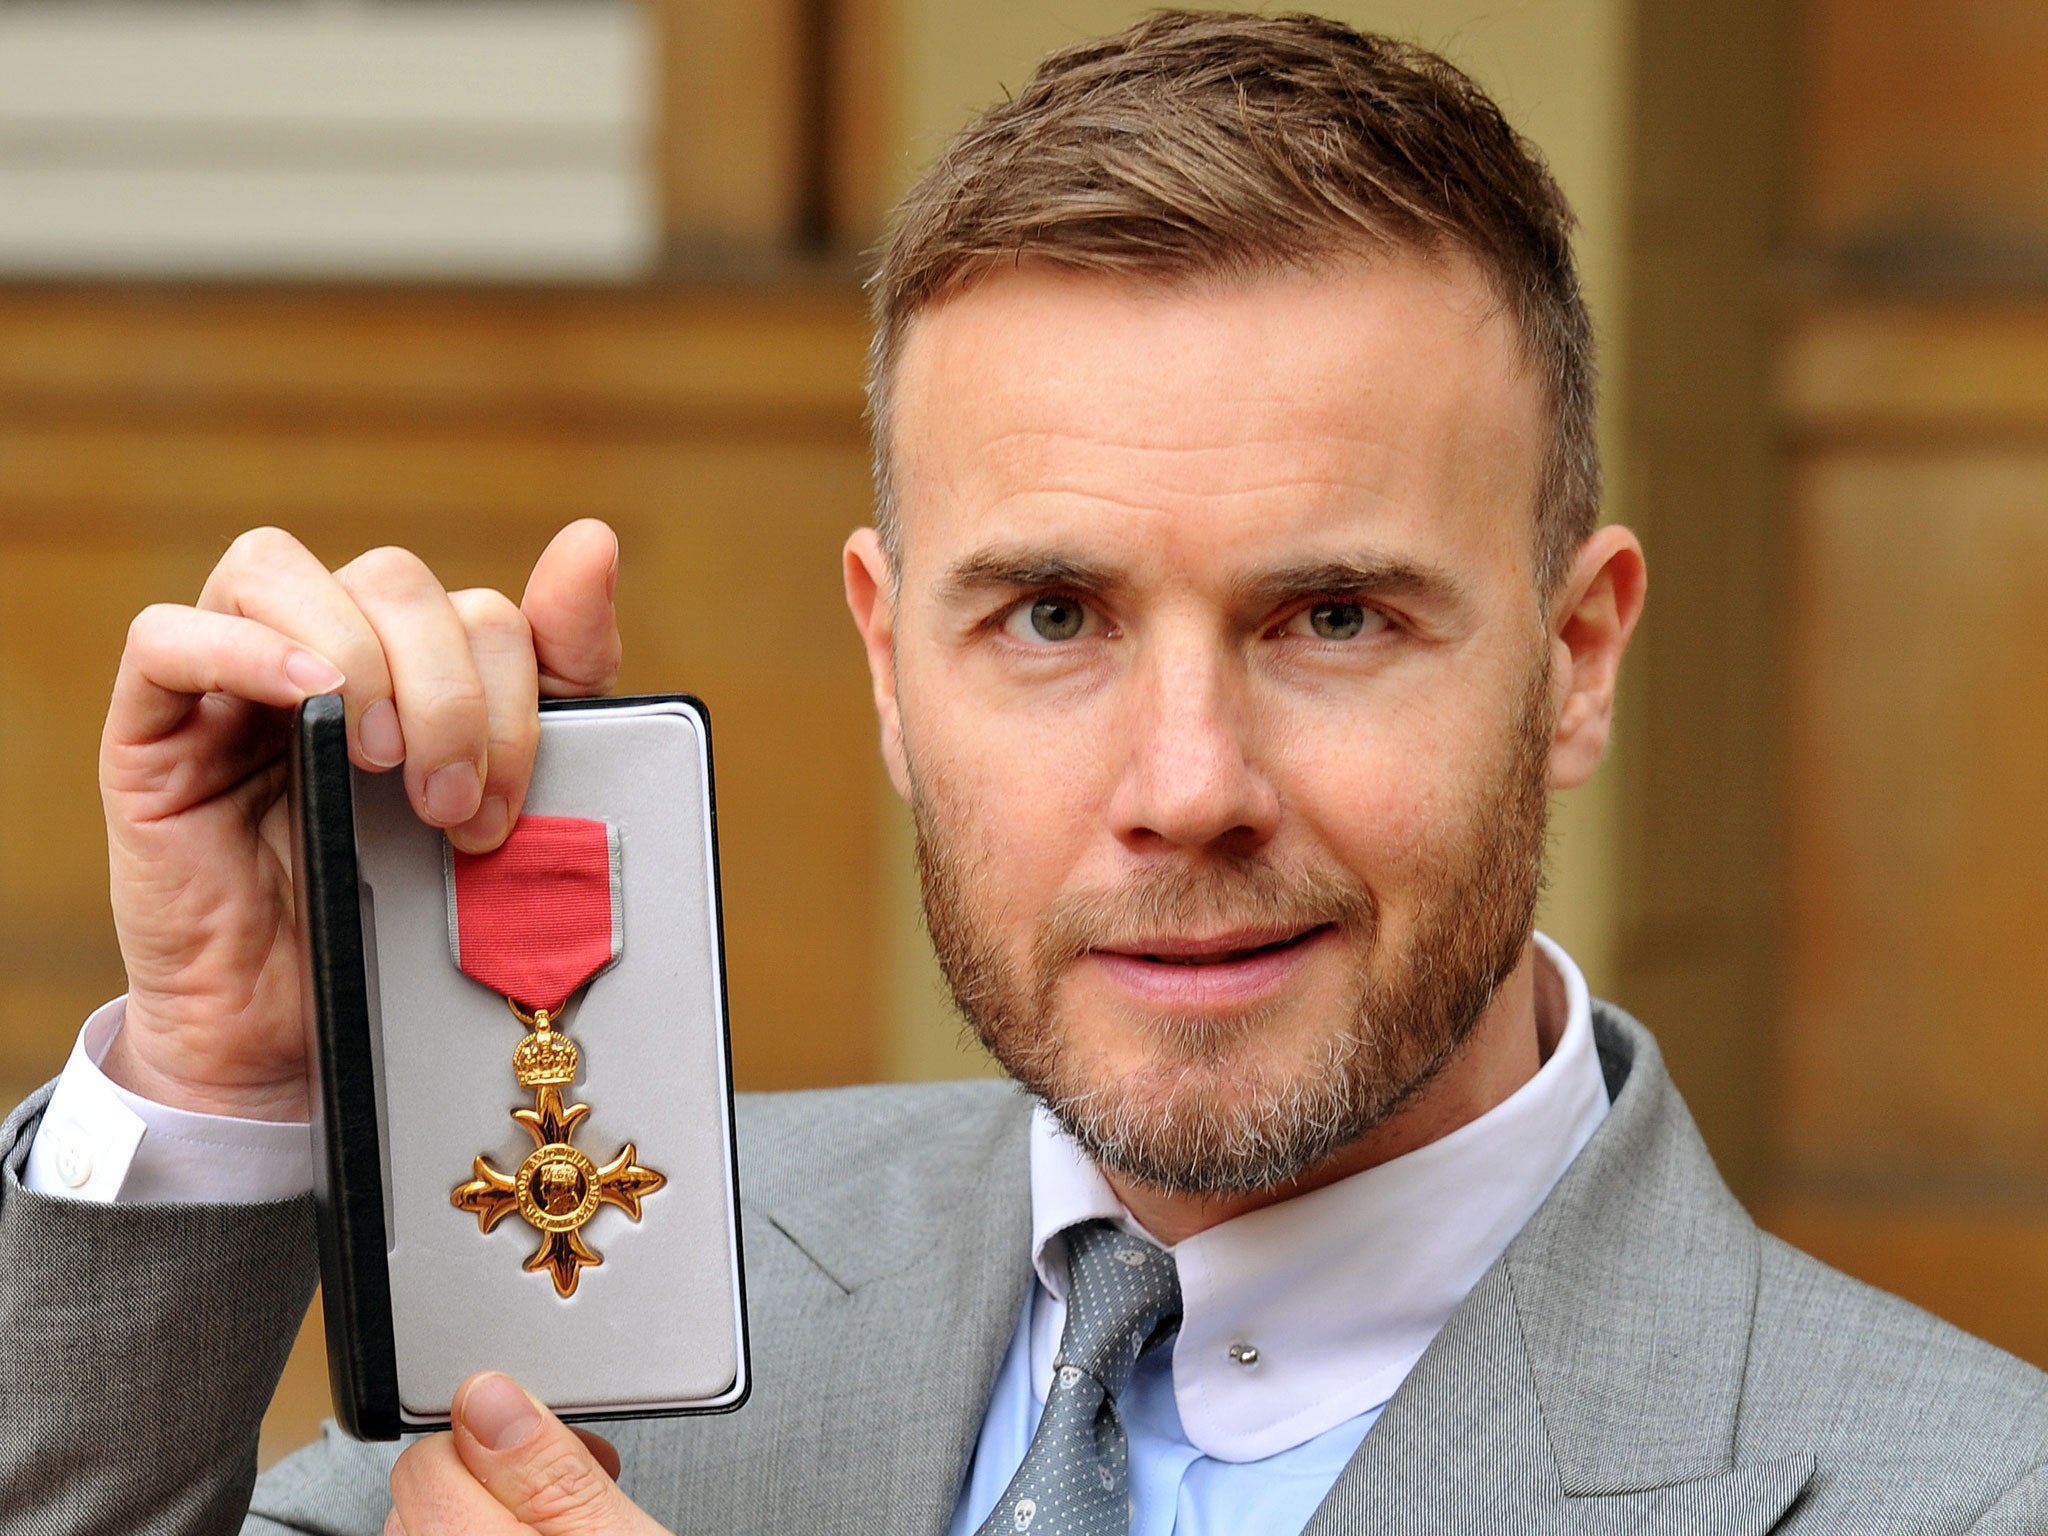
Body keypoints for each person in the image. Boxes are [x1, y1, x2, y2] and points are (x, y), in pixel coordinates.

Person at [1, 12, 2043, 1535]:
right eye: (1051, 617)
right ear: (892, 665)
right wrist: (217, 1090)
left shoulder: (1951, 1496)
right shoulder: (577, 1280)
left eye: (1331, 617)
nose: (1185, 786)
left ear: (1573, 661)